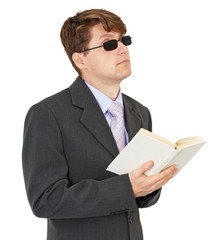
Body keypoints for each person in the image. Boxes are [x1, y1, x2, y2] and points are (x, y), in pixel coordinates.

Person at [22, 9, 178, 240]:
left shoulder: (140, 113)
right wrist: (127, 188)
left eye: (124, 40)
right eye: (108, 44)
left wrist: (152, 183)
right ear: (80, 59)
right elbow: (45, 200)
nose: (123, 48)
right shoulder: (47, 114)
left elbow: (139, 198)